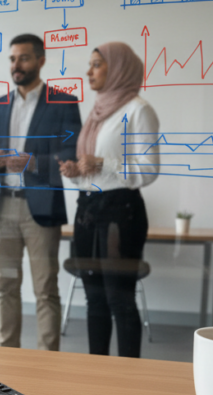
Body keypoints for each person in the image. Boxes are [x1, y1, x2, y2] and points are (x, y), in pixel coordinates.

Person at [0, 34, 81, 351]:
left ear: (41, 60)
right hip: (2, 208)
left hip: (41, 209)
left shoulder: (63, 102)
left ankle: (47, 362)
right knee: (6, 286)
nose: (16, 65)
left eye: (23, 58)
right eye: (12, 59)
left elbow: (71, 154)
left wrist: (33, 162)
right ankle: (8, 355)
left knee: (45, 289)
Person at [59, 42, 159, 358]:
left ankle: (128, 378)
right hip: (88, 208)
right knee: (94, 298)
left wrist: (103, 163)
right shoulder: (98, 112)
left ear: (117, 68)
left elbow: (150, 170)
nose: (89, 71)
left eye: (96, 64)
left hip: (120, 212)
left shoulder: (138, 110)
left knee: (119, 298)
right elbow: (92, 169)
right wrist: (75, 171)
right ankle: (97, 371)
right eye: (89, 65)